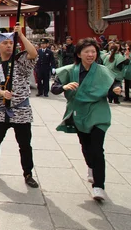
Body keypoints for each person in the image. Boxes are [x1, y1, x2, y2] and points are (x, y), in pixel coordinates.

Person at [51, 38, 122, 201]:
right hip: (79, 112)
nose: (91, 54)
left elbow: (113, 84)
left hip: (98, 112)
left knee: (97, 149)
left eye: (93, 51)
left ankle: (99, 186)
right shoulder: (70, 70)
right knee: (85, 145)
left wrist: (116, 89)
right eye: (87, 51)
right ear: (79, 54)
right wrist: (64, 87)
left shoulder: (103, 71)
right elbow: (54, 88)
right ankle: (91, 166)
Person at [0, 27, 39, 188]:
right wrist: (1, 92)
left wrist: (21, 35)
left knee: (24, 144)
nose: (9, 46)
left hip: (21, 111)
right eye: (5, 43)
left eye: (11, 42)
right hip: (1, 111)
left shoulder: (20, 61)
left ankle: (28, 173)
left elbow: (33, 54)